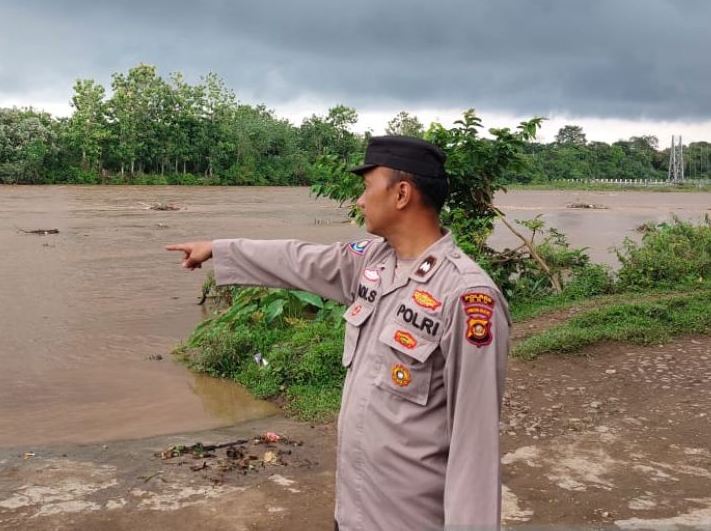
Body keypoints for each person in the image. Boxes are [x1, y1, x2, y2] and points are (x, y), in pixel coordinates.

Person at [167, 135, 509, 531]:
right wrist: (219, 249)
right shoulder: (375, 261)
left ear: (401, 194)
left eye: (366, 188)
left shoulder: (465, 297)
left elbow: (476, 444)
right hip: (354, 512)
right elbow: (300, 259)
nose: (360, 201)